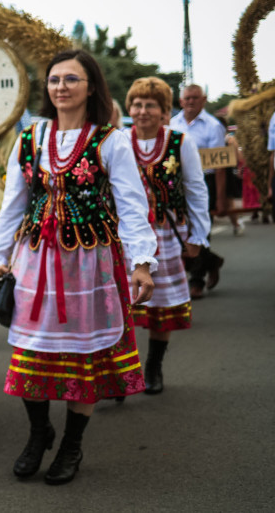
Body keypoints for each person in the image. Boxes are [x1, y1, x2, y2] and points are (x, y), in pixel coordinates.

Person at [0, 49, 156, 486]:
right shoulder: (29, 140)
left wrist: (142, 263)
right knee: (32, 352)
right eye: (54, 79)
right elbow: (13, 204)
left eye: (71, 79)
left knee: (85, 357)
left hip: (90, 267)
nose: (61, 86)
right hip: (35, 263)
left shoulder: (110, 140)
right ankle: (39, 431)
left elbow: (132, 207)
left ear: (91, 87)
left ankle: (72, 444)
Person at [125, 78, 210, 394]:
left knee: (160, 305)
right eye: (137, 104)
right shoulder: (119, 140)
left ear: (164, 111)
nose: (142, 111)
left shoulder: (179, 142)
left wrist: (198, 234)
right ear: (129, 108)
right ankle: (123, 371)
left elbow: (196, 189)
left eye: (151, 105)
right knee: (123, 304)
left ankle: (154, 365)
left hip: (167, 232)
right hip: (127, 238)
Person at [170, 85, 226, 296]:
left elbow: (220, 165)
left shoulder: (213, 126)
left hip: (205, 181)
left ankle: (197, 280)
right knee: (181, 230)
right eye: (187, 98)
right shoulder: (172, 124)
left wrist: (220, 198)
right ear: (181, 101)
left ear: (203, 100)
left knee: (201, 227)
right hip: (177, 183)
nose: (191, 102)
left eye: (195, 98)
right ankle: (211, 260)